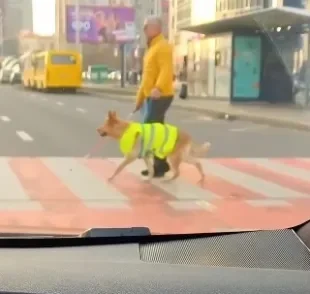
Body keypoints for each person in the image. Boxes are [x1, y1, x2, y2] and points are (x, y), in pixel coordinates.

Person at [133, 16, 174, 178]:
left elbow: (166, 70)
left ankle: (159, 163)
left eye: (146, 27)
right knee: (156, 130)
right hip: (151, 96)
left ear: (156, 28)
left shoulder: (163, 46)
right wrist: (139, 100)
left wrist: (158, 87)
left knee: (149, 128)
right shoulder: (151, 48)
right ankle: (160, 164)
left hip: (161, 95)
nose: (144, 30)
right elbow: (146, 78)